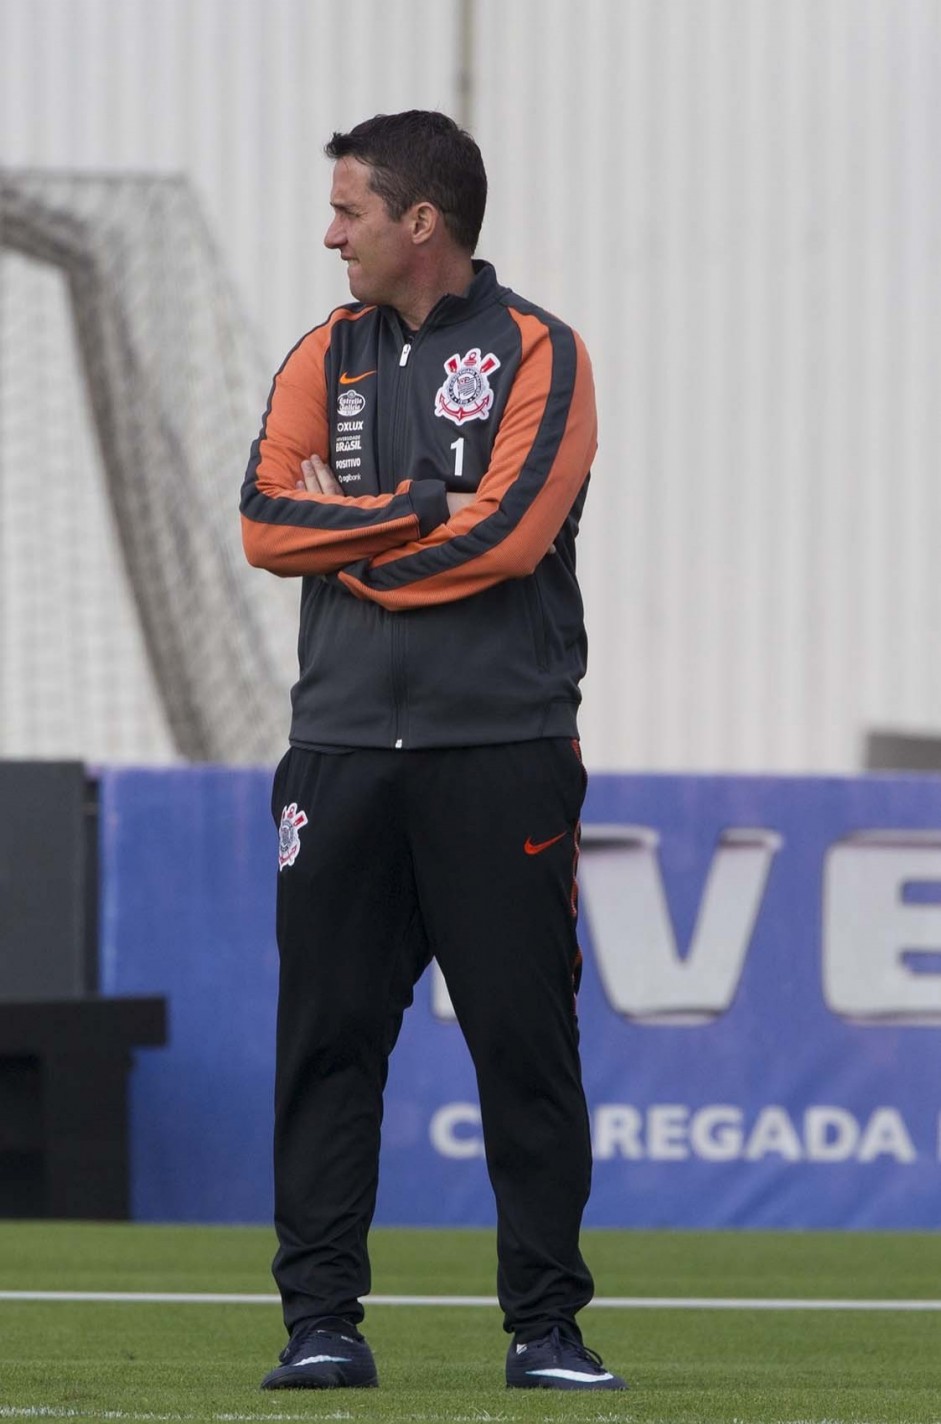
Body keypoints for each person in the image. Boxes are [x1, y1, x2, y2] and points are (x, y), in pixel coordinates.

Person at [240, 109, 625, 1394]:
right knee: (328, 1040)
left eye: (350, 209)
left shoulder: (539, 353)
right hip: (339, 747)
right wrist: (411, 510)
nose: (330, 232)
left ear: (422, 222)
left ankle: (545, 1328)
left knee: (523, 1040)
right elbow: (259, 522)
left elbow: (512, 538)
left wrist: (350, 547)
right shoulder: (319, 352)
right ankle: (319, 1323)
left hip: (500, 748)